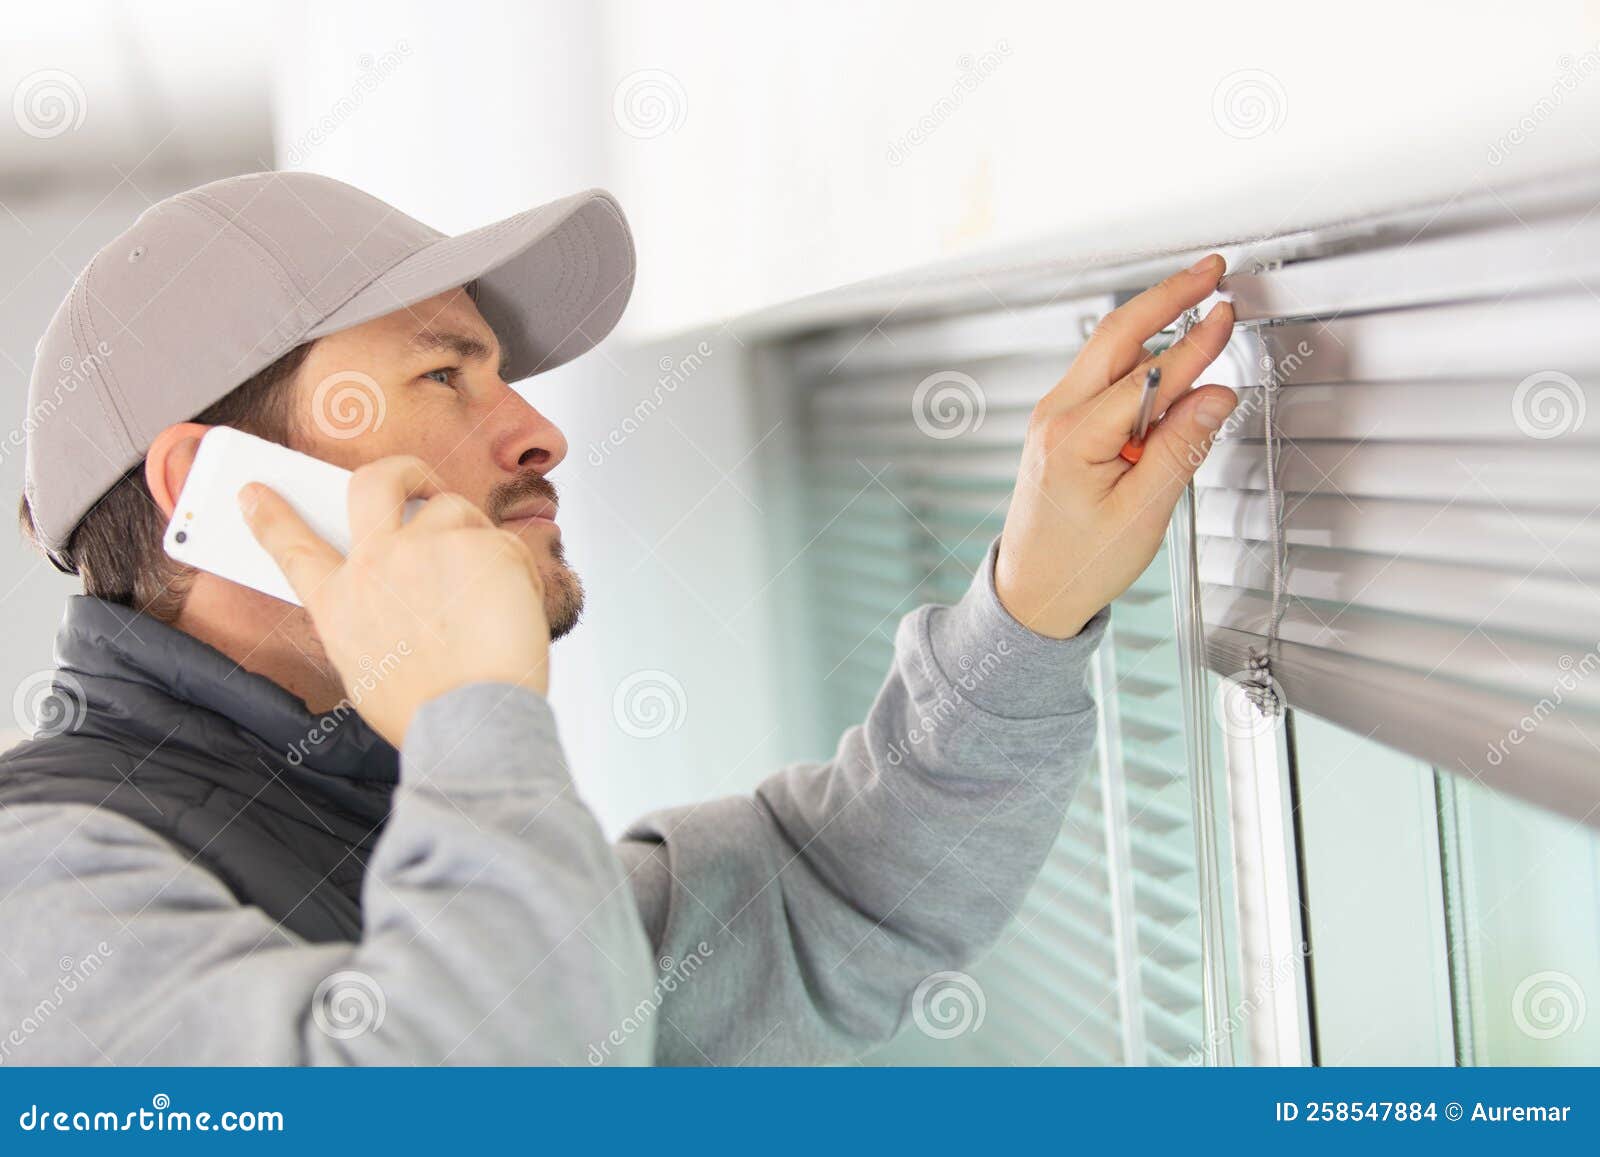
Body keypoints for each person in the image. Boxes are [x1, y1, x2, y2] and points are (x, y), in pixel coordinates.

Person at [0, 172, 1236, 1064]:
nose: (540, 432)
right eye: (443, 373)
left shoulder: (356, 799)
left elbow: (831, 906)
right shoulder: (38, 891)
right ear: (217, 492)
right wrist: (466, 706)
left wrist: (1030, 602)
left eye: (499, 373)